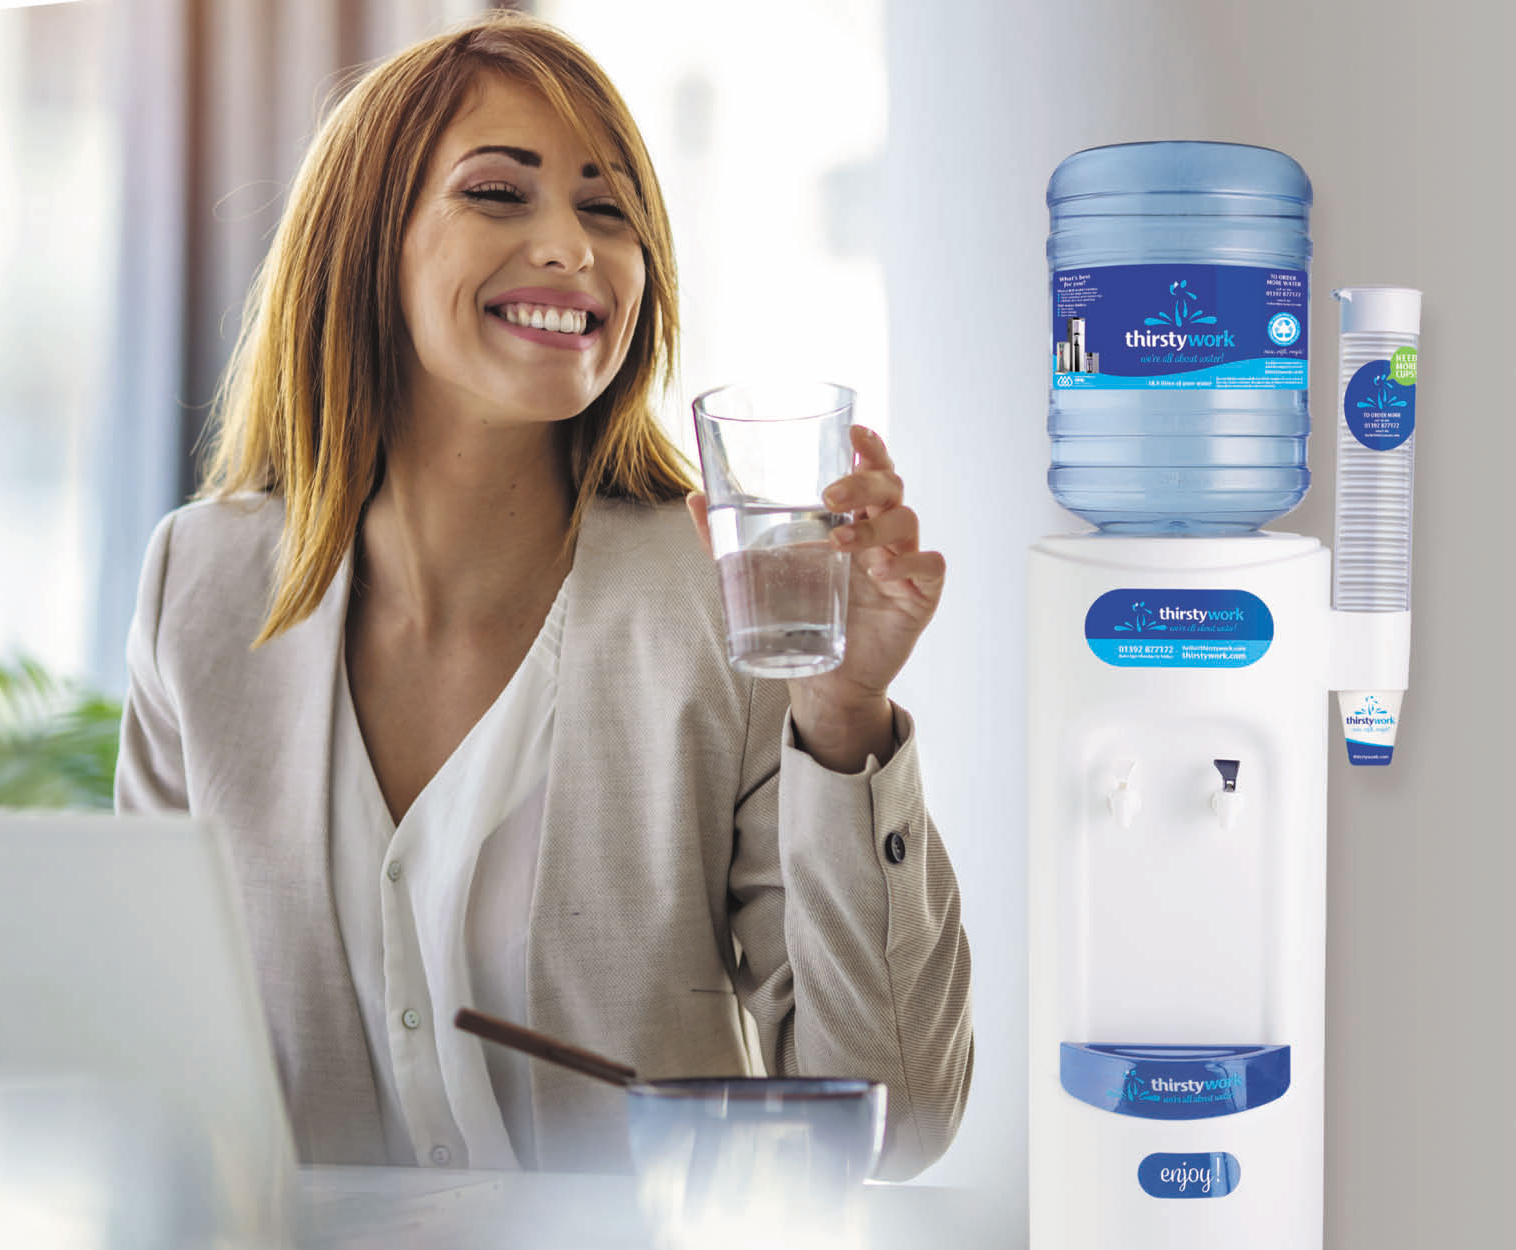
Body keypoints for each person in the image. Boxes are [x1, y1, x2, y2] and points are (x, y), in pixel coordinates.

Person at [115, 11, 972, 1181]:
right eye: (499, 193)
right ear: (366, 242)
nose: (572, 246)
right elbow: (151, 1058)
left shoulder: (720, 602)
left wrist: (841, 714)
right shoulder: (201, 588)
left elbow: (898, 1123)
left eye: (606, 207)